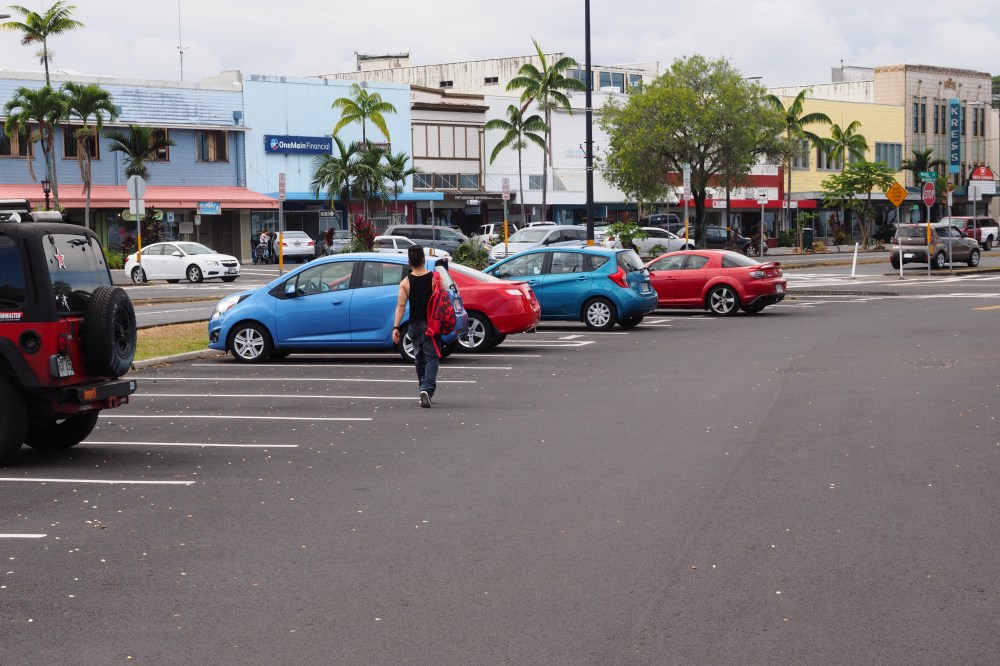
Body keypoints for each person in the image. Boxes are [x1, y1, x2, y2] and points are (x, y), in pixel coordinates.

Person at [392, 245, 438, 408]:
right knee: (431, 357)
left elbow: (400, 306)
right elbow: (443, 298)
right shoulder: (434, 279)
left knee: (419, 358)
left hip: (414, 325)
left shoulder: (405, 282)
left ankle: (422, 388)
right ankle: (426, 388)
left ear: (409, 262)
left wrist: (396, 327)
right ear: (424, 260)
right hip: (432, 324)